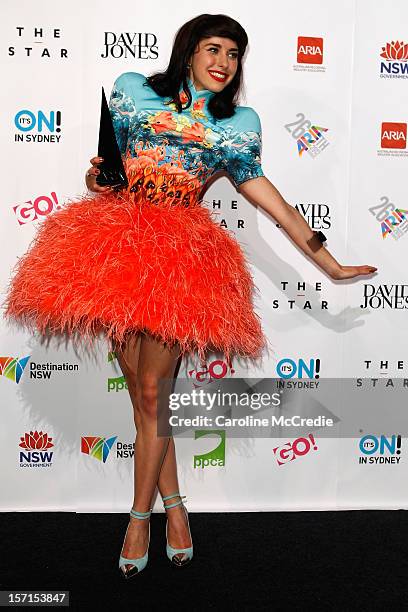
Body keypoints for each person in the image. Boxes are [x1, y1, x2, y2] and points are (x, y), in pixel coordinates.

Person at [3, 14, 377, 579]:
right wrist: (97, 180)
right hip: (116, 251)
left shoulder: (236, 125)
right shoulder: (133, 92)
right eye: (213, 48)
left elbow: (272, 203)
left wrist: (328, 263)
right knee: (144, 400)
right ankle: (176, 509)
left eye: (234, 53)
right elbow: (106, 172)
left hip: (181, 262)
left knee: (153, 397)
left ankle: (138, 518)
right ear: (189, 51)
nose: (224, 62)